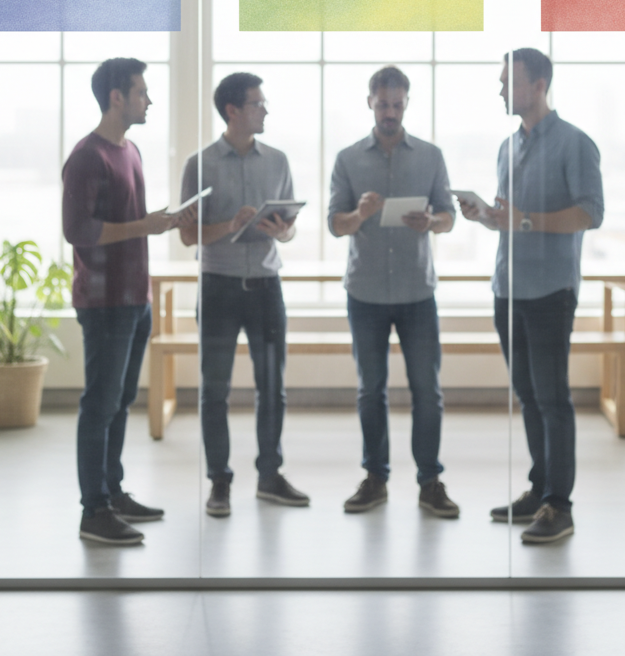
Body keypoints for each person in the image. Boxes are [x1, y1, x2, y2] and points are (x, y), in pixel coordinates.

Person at [460, 48, 603, 544]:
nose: (501, 90)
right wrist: (487, 215)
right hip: (508, 289)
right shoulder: (507, 147)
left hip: (550, 292)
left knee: (553, 399)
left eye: (508, 81)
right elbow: (510, 216)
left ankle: (558, 506)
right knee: (527, 396)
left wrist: (522, 220)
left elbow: (589, 214)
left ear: (538, 84)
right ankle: (539, 490)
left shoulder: (575, 144)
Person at [63, 57, 192, 546]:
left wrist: (164, 221)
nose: (149, 99)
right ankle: (92, 511)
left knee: (119, 401)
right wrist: (144, 225)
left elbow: (130, 221)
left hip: (136, 298)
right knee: (99, 403)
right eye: (141, 92)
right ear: (116, 97)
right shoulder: (86, 157)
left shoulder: (131, 150)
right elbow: (77, 231)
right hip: (104, 303)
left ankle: (112, 493)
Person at [328, 66, 460, 518]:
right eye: (383, 104)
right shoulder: (348, 159)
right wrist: (359, 215)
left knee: (428, 391)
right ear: (370, 102)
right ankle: (375, 478)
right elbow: (334, 224)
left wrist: (433, 223)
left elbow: (449, 216)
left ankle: (430, 482)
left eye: (397, 105)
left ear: (407, 103)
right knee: (371, 391)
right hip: (365, 293)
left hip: (417, 293)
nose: (390, 112)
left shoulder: (430, 156)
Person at [179, 72, 308, 518]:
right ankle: (219, 483)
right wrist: (231, 225)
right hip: (218, 289)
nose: (265, 109)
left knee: (272, 388)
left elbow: (289, 230)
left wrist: (282, 229)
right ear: (233, 111)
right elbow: (187, 236)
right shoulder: (200, 165)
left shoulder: (278, 160)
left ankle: (270, 477)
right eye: (257, 103)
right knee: (214, 391)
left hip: (267, 289)